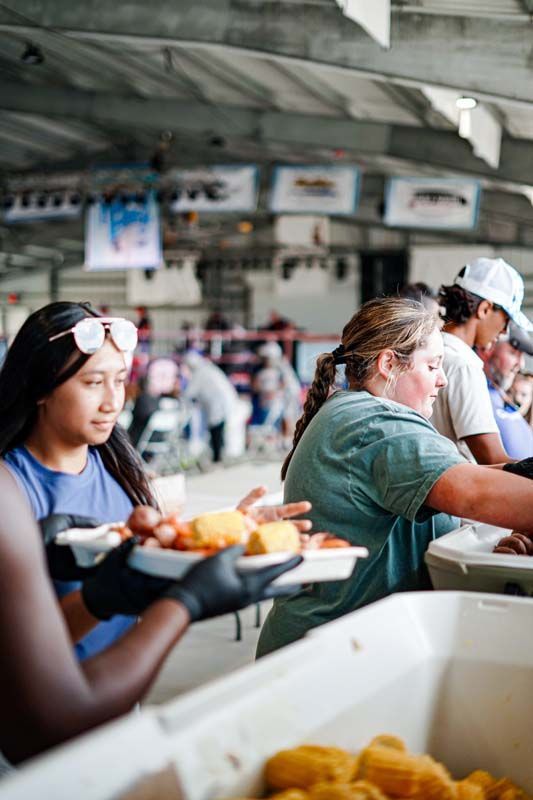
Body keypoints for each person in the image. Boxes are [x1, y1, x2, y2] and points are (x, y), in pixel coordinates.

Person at [256, 297, 533, 657]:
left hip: (341, 646)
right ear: (389, 363)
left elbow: (472, 478)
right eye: (432, 365)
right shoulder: (374, 423)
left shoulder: (355, 413)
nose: (443, 379)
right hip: (332, 655)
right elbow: (475, 494)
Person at [0, 468, 309, 766]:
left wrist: (98, 596)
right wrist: (186, 602)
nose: (112, 410)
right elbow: (56, 720)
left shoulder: (115, 463)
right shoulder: (11, 482)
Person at [431, 257, 533, 463]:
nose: (504, 330)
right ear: (484, 309)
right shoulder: (464, 364)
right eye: (506, 320)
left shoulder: (432, 348)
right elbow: (493, 459)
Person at [480, 324, 533, 459]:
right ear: (489, 347)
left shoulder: (498, 391)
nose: (520, 364)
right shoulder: (476, 387)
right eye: (514, 353)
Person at [182, 350, 239, 463]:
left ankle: (217, 457)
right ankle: (219, 455)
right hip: (224, 403)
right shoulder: (209, 368)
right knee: (219, 429)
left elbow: (189, 393)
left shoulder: (200, 373)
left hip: (218, 405)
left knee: (216, 430)